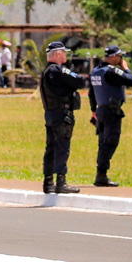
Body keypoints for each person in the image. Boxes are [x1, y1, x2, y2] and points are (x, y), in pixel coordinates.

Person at [40, 41, 87, 194]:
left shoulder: (46, 72)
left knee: (51, 148)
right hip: (62, 115)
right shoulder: (59, 70)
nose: (66, 55)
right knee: (62, 147)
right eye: (64, 52)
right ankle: (61, 182)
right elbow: (80, 81)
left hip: (50, 114)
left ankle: (48, 182)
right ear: (58, 54)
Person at [88, 45, 132, 187]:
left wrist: (93, 110)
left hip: (101, 110)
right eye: (120, 57)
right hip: (111, 111)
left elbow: (91, 93)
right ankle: (101, 175)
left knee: (103, 142)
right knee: (110, 142)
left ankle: (101, 174)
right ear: (114, 57)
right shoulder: (111, 71)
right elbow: (131, 80)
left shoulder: (96, 71)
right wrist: (126, 68)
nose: (121, 60)